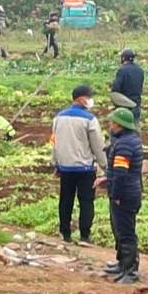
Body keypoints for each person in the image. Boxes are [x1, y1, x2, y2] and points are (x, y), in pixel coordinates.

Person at [51, 85, 107, 245]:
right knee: (86, 201)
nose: (90, 100)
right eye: (89, 97)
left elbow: (54, 142)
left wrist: (56, 163)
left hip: (65, 168)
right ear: (80, 99)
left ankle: (65, 234)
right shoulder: (90, 120)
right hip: (85, 168)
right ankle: (84, 235)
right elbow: (98, 145)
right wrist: (105, 166)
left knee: (65, 200)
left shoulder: (58, 118)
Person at [98, 107, 143, 284]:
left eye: (112, 122)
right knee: (119, 230)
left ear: (119, 124)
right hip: (128, 191)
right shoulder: (129, 140)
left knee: (126, 233)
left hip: (125, 194)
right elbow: (117, 171)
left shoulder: (124, 144)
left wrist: (115, 194)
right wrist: (106, 179)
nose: (110, 125)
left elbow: (121, 172)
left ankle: (130, 271)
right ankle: (122, 263)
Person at [110, 48, 145, 124]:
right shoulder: (140, 70)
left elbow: (115, 89)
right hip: (136, 104)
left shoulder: (122, 70)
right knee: (135, 128)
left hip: (125, 106)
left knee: (122, 129)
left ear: (123, 58)